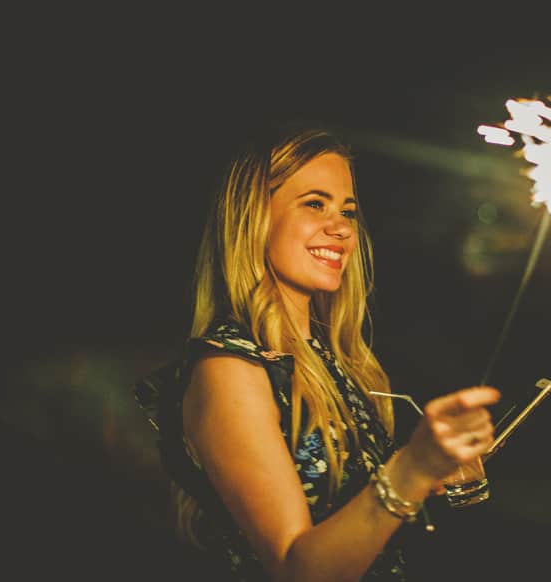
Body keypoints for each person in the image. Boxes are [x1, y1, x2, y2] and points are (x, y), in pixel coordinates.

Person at [133, 123, 500, 581]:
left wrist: (431, 475)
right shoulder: (229, 368)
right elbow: (297, 570)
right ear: (254, 217)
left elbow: (358, 530)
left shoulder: (334, 360)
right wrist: (409, 468)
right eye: (314, 204)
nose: (341, 228)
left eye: (347, 211)